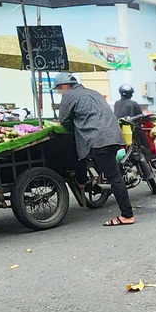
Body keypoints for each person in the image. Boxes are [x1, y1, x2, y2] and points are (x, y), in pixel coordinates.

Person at [54, 73, 136, 226]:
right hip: (113, 135)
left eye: (59, 89)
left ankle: (127, 215)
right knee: (112, 171)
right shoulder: (93, 92)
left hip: (98, 138)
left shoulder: (69, 96)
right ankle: (84, 181)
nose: (59, 92)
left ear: (64, 86)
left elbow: (63, 120)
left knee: (114, 178)